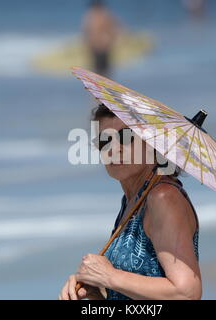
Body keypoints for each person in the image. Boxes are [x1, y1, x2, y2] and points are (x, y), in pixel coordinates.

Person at [59, 104, 202, 300]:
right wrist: (98, 291)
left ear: (153, 143)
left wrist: (109, 276)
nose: (113, 148)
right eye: (104, 140)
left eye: (126, 138)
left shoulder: (162, 198)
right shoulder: (132, 200)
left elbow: (186, 293)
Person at [82, 0, 120, 77]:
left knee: (104, 71)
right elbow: (86, 31)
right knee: (97, 70)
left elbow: (116, 27)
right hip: (95, 47)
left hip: (103, 46)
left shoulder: (104, 15)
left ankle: (104, 86)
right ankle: (99, 87)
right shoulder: (90, 16)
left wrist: (110, 39)